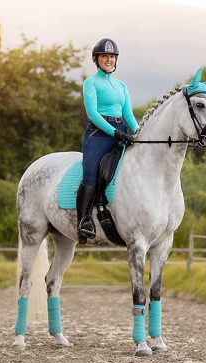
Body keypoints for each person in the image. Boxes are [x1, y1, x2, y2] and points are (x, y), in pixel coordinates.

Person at [76, 38, 139, 244]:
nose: (108, 59)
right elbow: (93, 113)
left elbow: (128, 114)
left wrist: (138, 134)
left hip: (121, 130)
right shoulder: (91, 83)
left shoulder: (121, 85)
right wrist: (114, 132)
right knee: (92, 171)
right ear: (97, 59)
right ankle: (84, 220)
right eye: (104, 56)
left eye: (112, 56)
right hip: (99, 134)